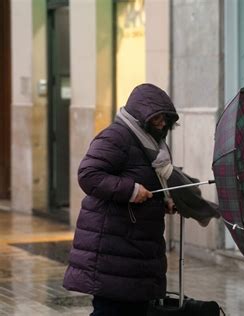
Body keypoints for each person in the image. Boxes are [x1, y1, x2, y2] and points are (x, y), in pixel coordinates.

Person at [63, 83, 216, 316]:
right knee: (112, 310)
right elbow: (89, 175)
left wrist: (162, 201)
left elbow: (145, 182)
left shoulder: (152, 146)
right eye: (157, 119)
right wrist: (131, 190)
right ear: (141, 116)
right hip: (113, 247)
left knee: (132, 309)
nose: (163, 124)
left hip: (135, 248)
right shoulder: (116, 137)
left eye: (166, 119)